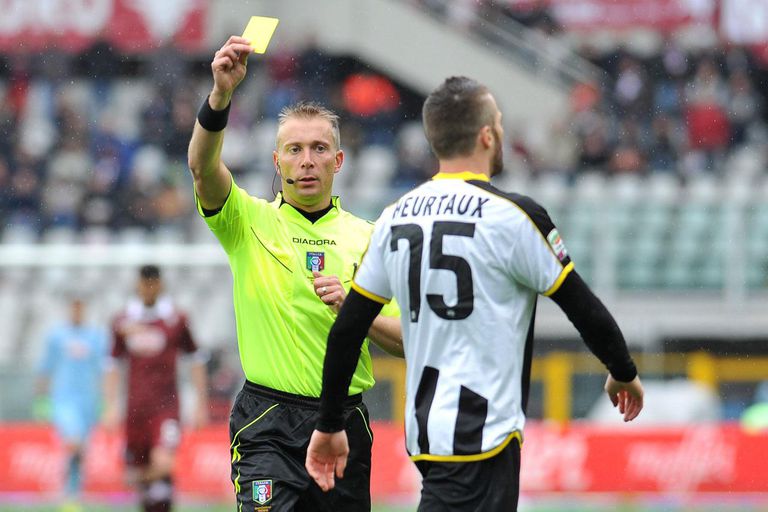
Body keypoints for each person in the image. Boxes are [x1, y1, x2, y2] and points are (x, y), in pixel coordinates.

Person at [306, 76, 645, 511]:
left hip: (428, 433)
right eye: (499, 124)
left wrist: (329, 423)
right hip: (481, 437)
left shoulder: (395, 218)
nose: (501, 132)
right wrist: (621, 368)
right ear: (487, 135)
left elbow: (348, 328)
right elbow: (584, 309)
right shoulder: (513, 216)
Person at [187, 36, 403, 511]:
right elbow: (202, 168)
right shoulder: (247, 221)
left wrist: (354, 308)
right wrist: (220, 95)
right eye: (295, 149)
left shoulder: (369, 238)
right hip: (267, 420)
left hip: (345, 422)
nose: (307, 160)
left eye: (320, 148)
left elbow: (409, 341)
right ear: (277, 161)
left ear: (338, 161)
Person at [102, 264, 209, 512]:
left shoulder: (176, 319)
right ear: (138, 285)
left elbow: (196, 360)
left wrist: (201, 404)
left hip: (166, 407)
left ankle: (149, 487)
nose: (148, 288)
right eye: (144, 283)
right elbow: (112, 365)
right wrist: (108, 406)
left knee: (164, 463)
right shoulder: (122, 321)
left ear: (160, 285)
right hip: (135, 409)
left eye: (153, 283)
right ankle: (156, 495)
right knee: (143, 481)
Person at [35, 296, 107, 511]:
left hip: (88, 400)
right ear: (69, 309)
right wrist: (41, 400)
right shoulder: (56, 336)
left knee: (80, 449)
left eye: (80, 307)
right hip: (64, 398)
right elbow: (44, 369)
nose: (77, 311)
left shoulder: (95, 337)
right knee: (73, 442)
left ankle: (73, 493)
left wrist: (106, 401)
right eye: (74, 307)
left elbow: (103, 370)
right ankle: (68, 490)